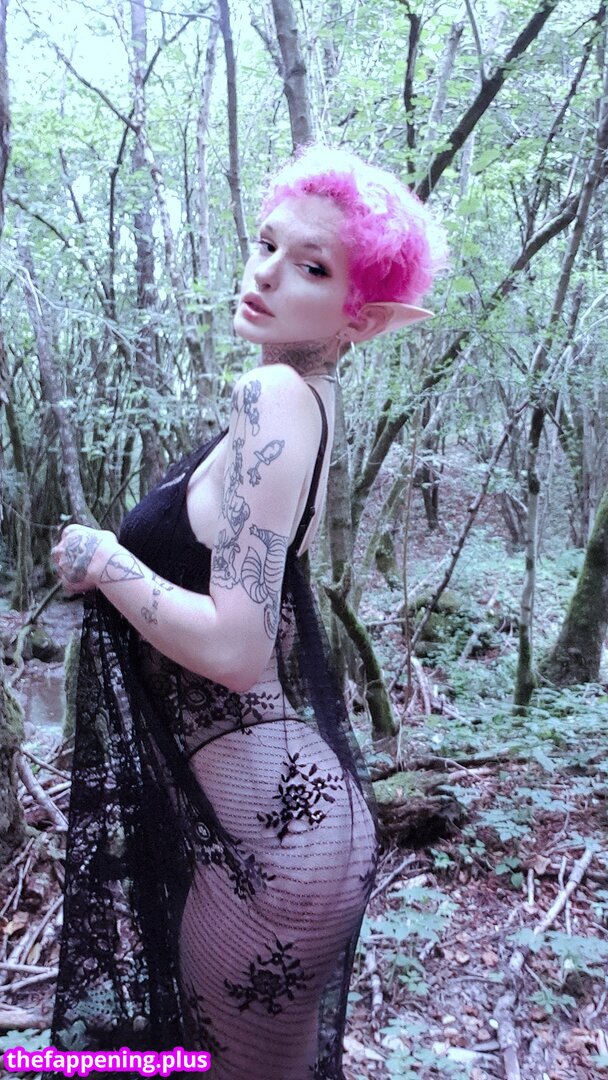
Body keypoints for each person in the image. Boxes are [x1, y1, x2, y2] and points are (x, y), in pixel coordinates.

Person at [48, 145, 445, 1080]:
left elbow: (234, 647)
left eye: (311, 266)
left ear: (362, 316)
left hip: (270, 848)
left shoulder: (273, 396)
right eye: (266, 245)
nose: (266, 273)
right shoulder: (309, 399)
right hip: (286, 829)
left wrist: (105, 560)